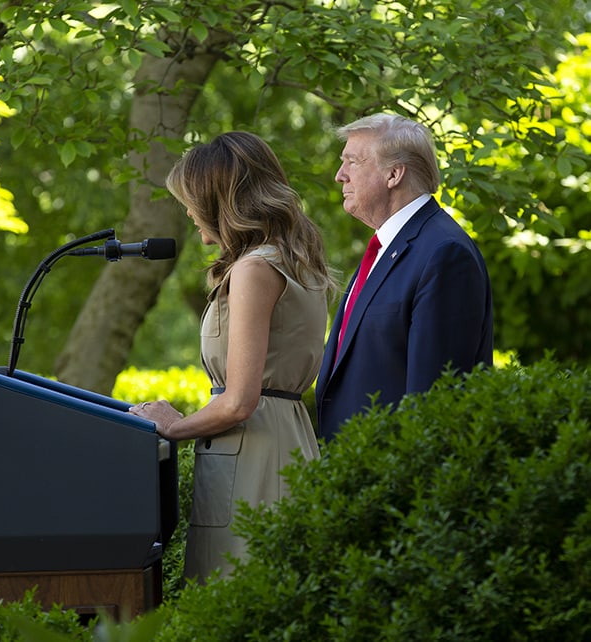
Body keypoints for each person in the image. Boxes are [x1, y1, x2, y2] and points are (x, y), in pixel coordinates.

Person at [129, 131, 334, 582]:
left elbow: (239, 401)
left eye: (192, 201)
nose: (186, 211)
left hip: (254, 456)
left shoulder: (254, 269)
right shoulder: (292, 259)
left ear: (221, 201)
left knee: (236, 590)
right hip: (282, 441)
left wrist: (171, 426)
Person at [315, 113, 493, 442]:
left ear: (394, 174)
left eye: (352, 162)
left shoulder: (444, 254)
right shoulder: (387, 247)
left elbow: (434, 403)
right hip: (352, 471)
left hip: (395, 478)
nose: (340, 176)